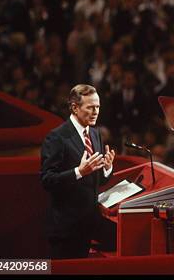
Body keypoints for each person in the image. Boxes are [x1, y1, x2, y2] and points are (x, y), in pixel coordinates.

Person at [40, 84, 116, 259]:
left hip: (90, 226)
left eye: (98, 107)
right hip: (67, 230)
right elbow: (47, 180)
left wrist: (106, 169)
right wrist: (79, 171)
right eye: (90, 107)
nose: (96, 111)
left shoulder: (95, 134)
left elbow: (95, 182)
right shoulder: (57, 137)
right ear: (74, 107)